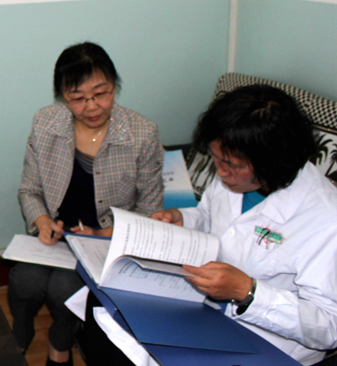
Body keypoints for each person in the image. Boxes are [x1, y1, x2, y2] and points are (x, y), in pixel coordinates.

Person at [81, 85, 337, 366]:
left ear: (272, 163)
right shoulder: (235, 174)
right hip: (207, 309)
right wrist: (183, 219)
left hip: (266, 340)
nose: (221, 172)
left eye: (232, 165)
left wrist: (248, 292)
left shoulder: (325, 219)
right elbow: (210, 216)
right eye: (217, 159)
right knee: (102, 305)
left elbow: (329, 327)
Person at [10, 42, 164, 365]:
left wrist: (103, 234)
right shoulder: (46, 123)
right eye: (78, 98)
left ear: (114, 86)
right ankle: (19, 334)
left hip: (106, 241)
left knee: (63, 287)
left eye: (101, 93)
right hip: (56, 237)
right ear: (62, 97)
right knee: (23, 281)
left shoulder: (142, 133)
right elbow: (29, 190)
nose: (92, 106)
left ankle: (59, 345)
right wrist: (41, 221)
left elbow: (150, 212)